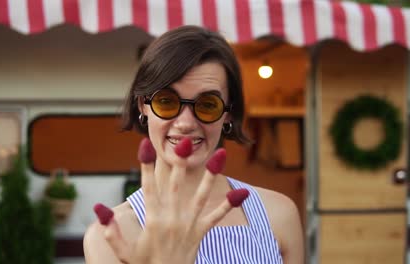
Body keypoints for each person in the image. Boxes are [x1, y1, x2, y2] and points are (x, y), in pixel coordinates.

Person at [83, 25, 304, 264]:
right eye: (166, 101)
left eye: (207, 104)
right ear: (142, 106)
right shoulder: (111, 236)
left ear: (228, 113)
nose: (186, 123)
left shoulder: (279, 215)